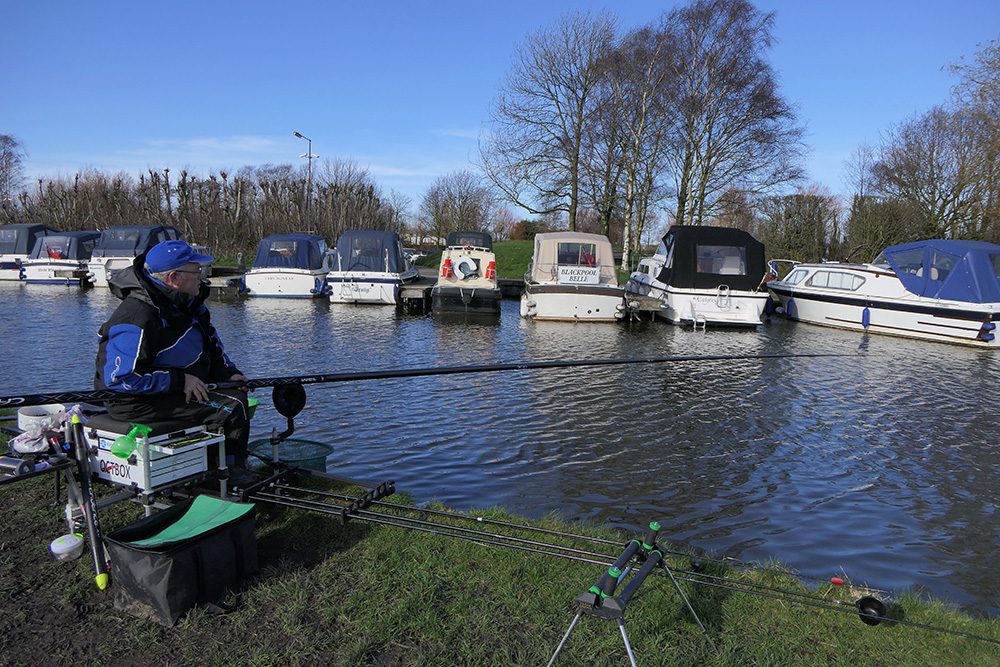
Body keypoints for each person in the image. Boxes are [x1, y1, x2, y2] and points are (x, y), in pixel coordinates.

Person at [94, 240, 252, 472]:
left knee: (234, 392)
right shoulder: (137, 316)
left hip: (171, 387)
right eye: (196, 270)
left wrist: (229, 374)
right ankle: (226, 475)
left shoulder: (190, 304)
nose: (202, 276)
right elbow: (120, 379)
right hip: (133, 401)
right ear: (174, 278)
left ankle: (209, 467)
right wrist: (179, 381)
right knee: (232, 406)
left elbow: (212, 346)